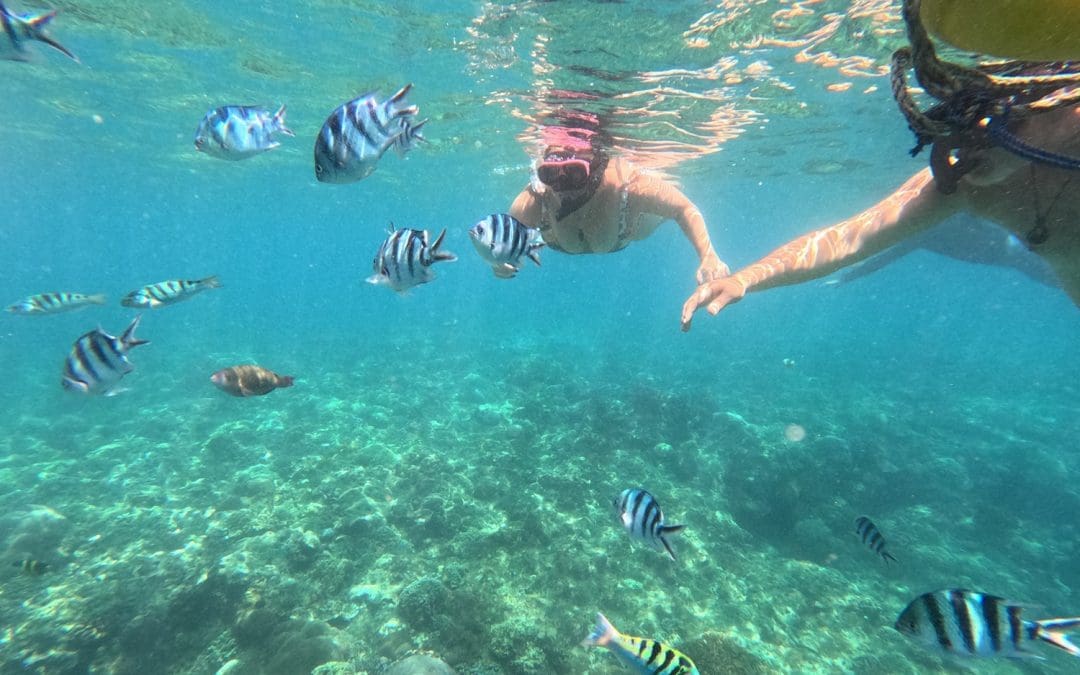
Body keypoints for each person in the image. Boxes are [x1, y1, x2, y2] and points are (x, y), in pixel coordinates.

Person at [680, 101, 1080, 331]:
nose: (963, 143)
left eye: (997, 119)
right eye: (949, 125)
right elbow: (851, 238)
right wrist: (744, 279)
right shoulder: (965, 178)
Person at [509, 126, 729, 285]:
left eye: (575, 173)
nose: (561, 185)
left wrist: (708, 256)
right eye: (549, 174)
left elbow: (684, 209)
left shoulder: (630, 189)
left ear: (597, 171)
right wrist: (500, 262)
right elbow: (501, 240)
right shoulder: (536, 199)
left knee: (667, 200)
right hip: (604, 237)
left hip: (628, 227)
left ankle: (667, 182)